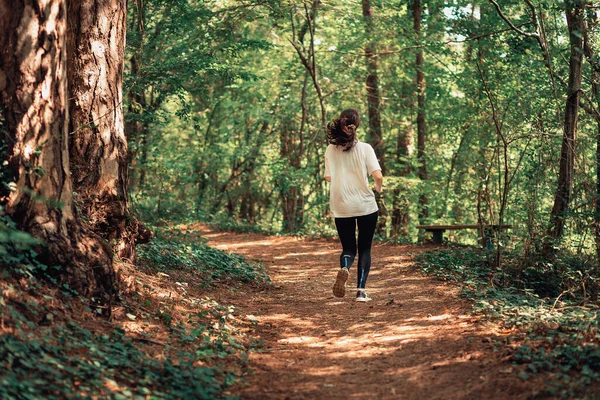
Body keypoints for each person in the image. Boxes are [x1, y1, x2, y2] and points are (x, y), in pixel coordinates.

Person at [324, 109, 383, 302]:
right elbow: (378, 175)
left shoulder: (330, 149)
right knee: (365, 248)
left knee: (348, 248)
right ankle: (361, 292)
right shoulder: (365, 148)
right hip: (365, 205)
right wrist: (378, 188)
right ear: (356, 126)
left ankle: (345, 268)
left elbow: (328, 177)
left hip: (341, 205)